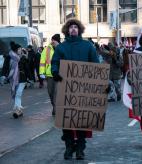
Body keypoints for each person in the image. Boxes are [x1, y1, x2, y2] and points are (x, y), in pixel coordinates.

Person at [51, 18, 99, 160]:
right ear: (67, 30)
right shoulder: (61, 47)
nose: (73, 29)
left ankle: (80, 148)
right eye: (70, 27)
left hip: (84, 89)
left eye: (75, 27)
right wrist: (56, 73)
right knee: (67, 119)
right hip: (66, 88)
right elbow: (55, 63)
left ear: (79, 30)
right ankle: (69, 146)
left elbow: (95, 64)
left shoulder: (88, 46)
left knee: (81, 120)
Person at [8, 42, 31, 118]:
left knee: (18, 94)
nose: (21, 50)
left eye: (21, 49)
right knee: (15, 95)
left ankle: (17, 109)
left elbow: (27, 68)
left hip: (22, 79)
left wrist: (30, 78)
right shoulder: (9, 57)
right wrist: (4, 76)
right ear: (16, 50)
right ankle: (19, 111)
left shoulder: (23, 58)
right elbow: (5, 67)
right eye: (19, 49)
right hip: (13, 79)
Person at [39, 34, 61, 116]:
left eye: (54, 40)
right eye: (52, 40)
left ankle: (56, 110)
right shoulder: (47, 49)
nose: (52, 42)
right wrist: (41, 72)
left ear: (57, 41)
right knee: (50, 92)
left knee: (56, 93)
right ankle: (54, 106)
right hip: (49, 75)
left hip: (59, 75)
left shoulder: (62, 48)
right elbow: (42, 61)